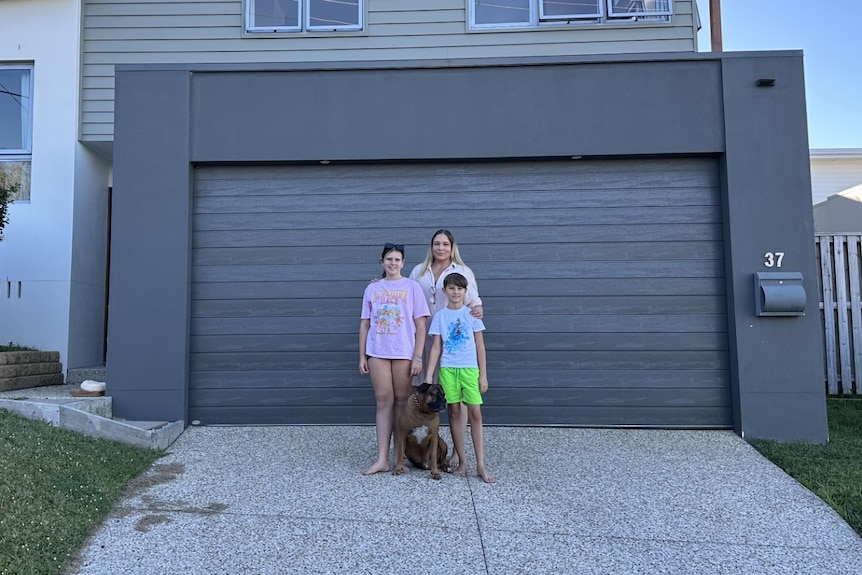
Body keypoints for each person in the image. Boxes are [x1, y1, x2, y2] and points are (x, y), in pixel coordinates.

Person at [409, 229, 483, 470]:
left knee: (455, 402)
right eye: (436, 244)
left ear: (452, 247)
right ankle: (421, 445)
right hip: (423, 339)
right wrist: (379, 282)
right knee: (423, 392)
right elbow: (402, 292)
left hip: (452, 343)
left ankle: (454, 451)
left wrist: (477, 312)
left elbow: (475, 303)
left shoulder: (463, 272)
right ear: (431, 246)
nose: (440, 248)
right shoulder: (418, 271)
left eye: (445, 244)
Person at [359, 243, 430, 475]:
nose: (392, 263)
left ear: (403, 263)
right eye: (388, 259)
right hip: (378, 351)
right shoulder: (372, 288)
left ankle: (398, 458)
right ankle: (382, 459)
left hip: (403, 352)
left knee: (402, 403)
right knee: (382, 401)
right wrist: (362, 355)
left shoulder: (412, 287)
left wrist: (417, 356)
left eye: (397, 259)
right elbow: (365, 323)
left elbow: (421, 324)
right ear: (382, 262)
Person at [424, 272, 495, 484]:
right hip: (448, 369)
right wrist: (429, 375)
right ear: (444, 291)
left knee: (475, 414)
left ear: (465, 291)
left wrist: (483, 375)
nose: (456, 292)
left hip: (469, 370)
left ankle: (480, 464)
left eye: (460, 289)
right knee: (454, 413)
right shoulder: (440, 316)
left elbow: (480, 346)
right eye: (452, 288)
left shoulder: (471, 314)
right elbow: (436, 347)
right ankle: (462, 459)